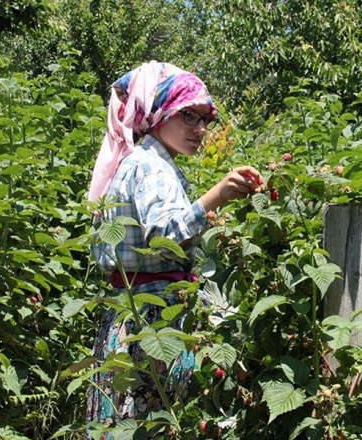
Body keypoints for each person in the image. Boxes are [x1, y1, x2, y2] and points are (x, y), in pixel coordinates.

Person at [85, 61, 263, 434]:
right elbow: (164, 236)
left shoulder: (145, 161)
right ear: (159, 113)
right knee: (146, 425)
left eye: (204, 119)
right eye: (188, 116)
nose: (199, 129)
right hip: (151, 323)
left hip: (133, 317)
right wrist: (217, 195)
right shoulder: (151, 167)